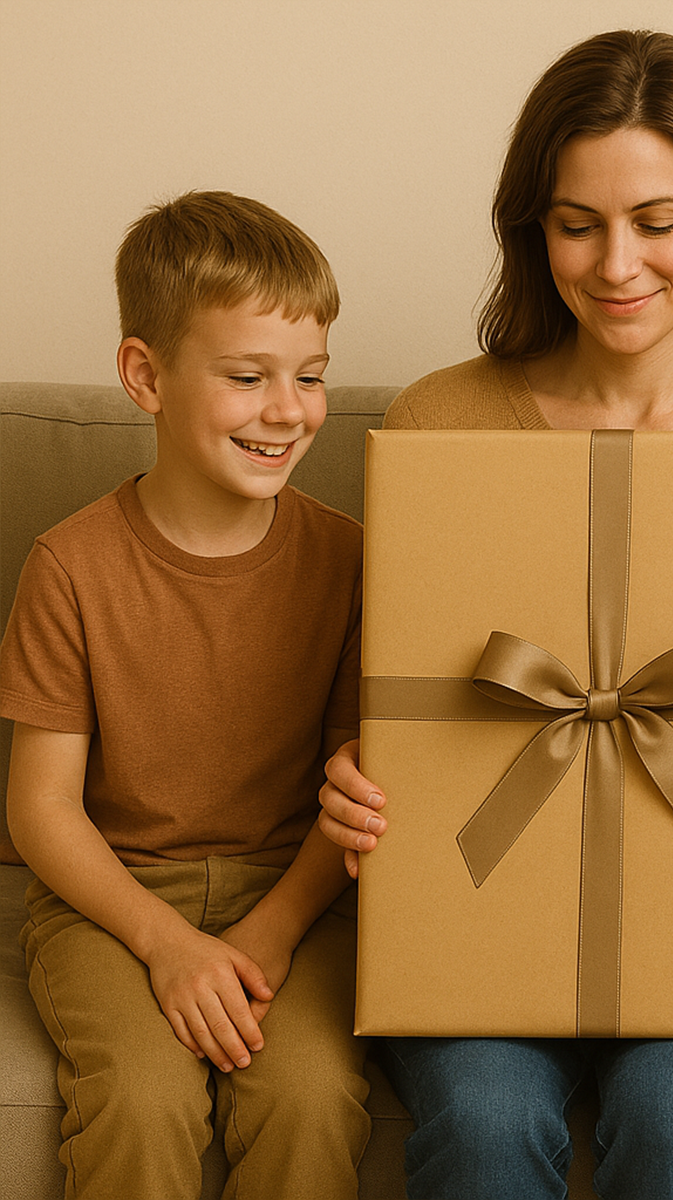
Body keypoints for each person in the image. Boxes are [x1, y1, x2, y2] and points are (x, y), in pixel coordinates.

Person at [319, 29, 673, 1200]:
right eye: (577, 224)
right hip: (469, 921)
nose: (617, 263)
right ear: (535, 228)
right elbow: (394, 695)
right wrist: (351, 783)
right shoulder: (437, 422)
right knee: (481, 1116)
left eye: (656, 220)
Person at [0, 191, 371, 1198]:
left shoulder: (349, 559)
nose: (288, 409)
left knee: (311, 1096)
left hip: (294, 893)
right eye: (248, 377)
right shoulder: (68, 567)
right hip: (111, 902)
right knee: (138, 1098)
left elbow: (357, 795)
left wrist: (269, 932)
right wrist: (165, 944)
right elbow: (38, 806)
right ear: (146, 375)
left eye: (310, 378)